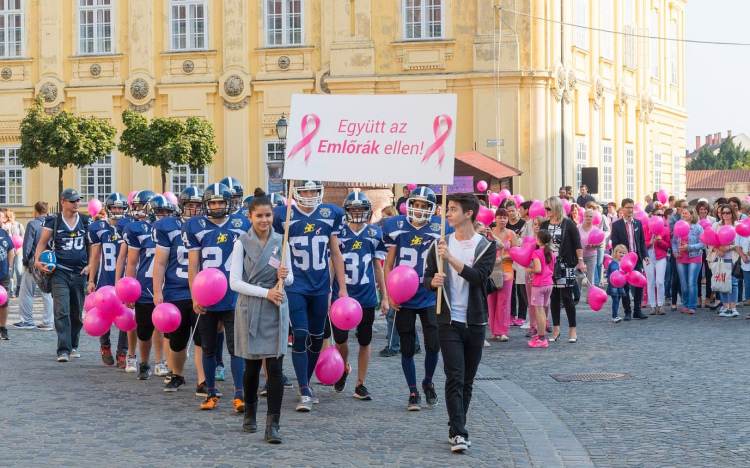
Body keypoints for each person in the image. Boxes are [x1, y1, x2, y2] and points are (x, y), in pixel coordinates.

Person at [423, 193, 495, 453]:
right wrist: (433, 282)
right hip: (448, 319)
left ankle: (456, 424)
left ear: (469, 213)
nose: (448, 214)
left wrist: (451, 260)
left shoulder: (485, 246)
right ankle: (459, 433)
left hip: (475, 321)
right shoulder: (439, 244)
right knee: (454, 376)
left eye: (453, 209)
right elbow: (427, 278)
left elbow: (478, 278)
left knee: (467, 380)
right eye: (447, 209)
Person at [272, 180, 348, 412]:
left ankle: (304, 380)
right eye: (304, 189)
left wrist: (341, 288)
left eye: (313, 189)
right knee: (301, 334)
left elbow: (335, 253)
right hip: (295, 285)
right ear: (295, 191)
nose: (309, 194)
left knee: (316, 339)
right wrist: (278, 274)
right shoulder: (283, 215)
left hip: (320, 286)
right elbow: (275, 251)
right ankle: (304, 388)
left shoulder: (330, 213)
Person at [229, 194, 292, 443]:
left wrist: (284, 276)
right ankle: (251, 412)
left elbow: (291, 280)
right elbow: (234, 282)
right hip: (251, 307)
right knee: (252, 366)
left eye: (268, 215)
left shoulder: (282, 242)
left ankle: (273, 423)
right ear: (250, 217)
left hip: (276, 308)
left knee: (275, 368)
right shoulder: (241, 243)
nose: (264, 220)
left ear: (273, 216)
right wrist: (265, 292)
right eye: (259, 216)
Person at [184, 183, 252, 412]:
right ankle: (211, 393)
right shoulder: (196, 226)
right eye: (212, 202)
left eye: (220, 202)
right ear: (207, 205)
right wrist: (195, 296)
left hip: (234, 296)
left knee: (236, 348)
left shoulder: (241, 224)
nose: (216, 206)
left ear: (228, 203)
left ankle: (239, 395)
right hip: (207, 296)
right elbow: (193, 265)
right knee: (209, 348)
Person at [382, 186, 449, 411]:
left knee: (433, 345)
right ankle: (412, 391)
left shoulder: (440, 228)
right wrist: (389, 293)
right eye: (416, 205)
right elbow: (389, 264)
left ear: (432, 209)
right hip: (404, 296)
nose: (419, 210)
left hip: (430, 294)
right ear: (409, 205)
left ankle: (428, 382)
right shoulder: (396, 226)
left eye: (424, 206)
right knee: (407, 347)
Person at [330, 192, 388, 400]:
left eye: (360, 209)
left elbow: (378, 266)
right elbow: (331, 264)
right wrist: (330, 291)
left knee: (365, 340)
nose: (356, 213)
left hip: (365, 295)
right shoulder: (338, 233)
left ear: (368, 212)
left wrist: (385, 297)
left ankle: (360, 383)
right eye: (353, 209)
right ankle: (344, 367)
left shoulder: (374, 233)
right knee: (341, 341)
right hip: (342, 297)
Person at [152, 188, 205, 392]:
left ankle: (202, 380)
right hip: (176, 290)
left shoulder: (206, 226)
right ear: (182, 206)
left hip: (201, 291)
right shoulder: (168, 226)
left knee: (202, 337)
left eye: (197, 205)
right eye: (190, 206)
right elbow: (160, 263)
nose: (194, 210)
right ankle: (177, 374)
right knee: (177, 339)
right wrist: (158, 291)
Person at [34, 189, 90, 360]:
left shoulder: (86, 220)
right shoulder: (54, 220)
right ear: (63, 202)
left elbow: (92, 246)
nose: (76, 203)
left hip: (80, 272)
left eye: (78, 200)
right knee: (61, 310)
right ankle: (63, 349)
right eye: (72, 201)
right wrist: (37, 260)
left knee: (76, 313)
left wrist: (90, 266)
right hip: (60, 271)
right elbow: (42, 243)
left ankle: (74, 345)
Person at [123, 191, 168, 379]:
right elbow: (132, 262)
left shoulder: (172, 231)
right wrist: (128, 291)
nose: (162, 215)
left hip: (166, 285)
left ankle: (160, 362)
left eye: (166, 212)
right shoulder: (139, 230)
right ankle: (144, 362)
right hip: (143, 285)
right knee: (143, 329)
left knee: (162, 325)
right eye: (159, 211)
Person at [87, 193, 129, 367]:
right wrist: (91, 280)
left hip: (126, 280)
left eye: (120, 208)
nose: (118, 211)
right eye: (114, 208)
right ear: (109, 209)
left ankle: (122, 352)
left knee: (126, 315)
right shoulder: (99, 227)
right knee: (104, 314)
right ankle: (105, 345)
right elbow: (95, 257)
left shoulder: (129, 227)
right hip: (106, 278)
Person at [540, 196, 583, 342]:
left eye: (548, 208)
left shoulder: (568, 224)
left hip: (565, 265)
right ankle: (556, 330)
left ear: (556, 208)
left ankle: (573, 331)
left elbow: (577, 243)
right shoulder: (544, 224)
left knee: (567, 297)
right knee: (554, 298)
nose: (546, 211)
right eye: (545, 208)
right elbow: (539, 244)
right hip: (549, 265)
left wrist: (580, 261)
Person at [13, 202, 53, 331]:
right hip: (48, 260)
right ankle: (48, 322)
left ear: (36, 212)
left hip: (34, 262)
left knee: (26, 292)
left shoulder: (33, 224)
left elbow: (28, 245)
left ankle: (27, 320)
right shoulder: (52, 223)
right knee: (47, 292)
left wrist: (25, 262)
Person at [610, 198, 649, 320]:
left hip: (636, 258)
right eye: (628, 207)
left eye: (632, 207)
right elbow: (615, 243)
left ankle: (638, 310)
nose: (630, 210)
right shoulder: (616, 225)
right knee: (625, 286)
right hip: (624, 260)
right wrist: (618, 258)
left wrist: (646, 255)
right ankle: (627, 311)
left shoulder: (638, 223)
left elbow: (642, 241)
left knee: (638, 285)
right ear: (622, 209)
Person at [487, 209, 517, 341]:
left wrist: (503, 258)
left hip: (507, 271)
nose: (502, 220)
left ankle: (503, 331)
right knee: (491, 300)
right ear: (495, 218)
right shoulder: (489, 234)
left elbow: (516, 253)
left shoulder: (511, 234)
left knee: (504, 301)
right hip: (491, 271)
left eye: (505, 217)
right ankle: (494, 330)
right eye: (500, 217)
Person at [671, 206, 705, 315]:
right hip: (681, 257)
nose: (684, 215)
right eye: (683, 213)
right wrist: (675, 252)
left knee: (691, 282)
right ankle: (685, 304)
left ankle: (692, 305)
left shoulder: (698, 228)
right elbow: (674, 241)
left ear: (692, 215)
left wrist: (689, 247)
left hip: (694, 256)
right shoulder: (678, 226)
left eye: (686, 213)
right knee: (684, 283)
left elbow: (703, 244)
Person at [525, 230, 555, 348]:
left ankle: (541, 338)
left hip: (539, 286)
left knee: (539, 312)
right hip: (548, 284)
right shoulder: (551, 253)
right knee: (543, 311)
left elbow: (538, 269)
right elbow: (549, 269)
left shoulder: (537, 253)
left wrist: (529, 271)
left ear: (538, 240)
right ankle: (541, 337)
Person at [711, 204, 742, 317]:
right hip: (720, 257)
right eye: (723, 212)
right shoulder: (716, 225)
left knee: (733, 282)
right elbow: (710, 241)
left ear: (732, 213)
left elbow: (740, 243)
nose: (725, 215)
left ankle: (733, 308)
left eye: (727, 212)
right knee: (722, 282)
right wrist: (717, 250)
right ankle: (725, 306)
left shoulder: (737, 226)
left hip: (733, 257)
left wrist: (729, 247)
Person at [505, 201, 527, 327]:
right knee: (510, 289)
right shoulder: (505, 224)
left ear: (517, 210)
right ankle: (512, 314)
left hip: (520, 260)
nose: (511, 213)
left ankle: (522, 316)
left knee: (521, 289)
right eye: (509, 211)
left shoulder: (523, 223)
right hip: (508, 261)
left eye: (513, 210)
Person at [644, 206, 670, 315]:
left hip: (660, 258)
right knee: (651, 282)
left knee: (660, 282)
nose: (659, 217)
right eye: (657, 215)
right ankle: (653, 306)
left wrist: (660, 241)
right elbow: (641, 244)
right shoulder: (645, 228)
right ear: (651, 216)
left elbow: (667, 246)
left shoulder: (664, 229)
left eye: (661, 215)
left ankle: (660, 304)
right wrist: (650, 242)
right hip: (648, 258)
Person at [695, 200, 715, 309]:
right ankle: (698, 297)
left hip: (709, 249)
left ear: (708, 210)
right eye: (701, 209)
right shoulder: (695, 220)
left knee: (709, 274)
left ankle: (708, 297)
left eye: (705, 209)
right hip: (698, 249)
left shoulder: (712, 220)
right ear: (698, 210)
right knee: (698, 274)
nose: (703, 211)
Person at [667, 199, 686, 310]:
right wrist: (675, 251)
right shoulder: (673, 219)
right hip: (677, 250)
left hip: (687, 251)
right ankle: (673, 301)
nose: (685, 209)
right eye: (683, 207)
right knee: (676, 277)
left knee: (685, 279)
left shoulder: (690, 219)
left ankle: (685, 299)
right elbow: (675, 235)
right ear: (678, 208)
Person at [577, 210, 601, 298]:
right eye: (587, 216)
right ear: (584, 216)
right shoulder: (578, 228)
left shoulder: (596, 229)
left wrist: (592, 245)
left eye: (590, 216)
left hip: (591, 255)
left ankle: (590, 297)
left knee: (590, 277)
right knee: (578, 276)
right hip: (580, 256)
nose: (588, 218)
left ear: (593, 218)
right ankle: (577, 295)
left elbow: (600, 243)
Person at [0, 218, 14, 339]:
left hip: (3, 273)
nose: (3, 220)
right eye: (1, 217)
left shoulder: (3, 232)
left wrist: (9, 266)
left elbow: (11, 249)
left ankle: (2, 328)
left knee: (4, 302)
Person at [607, 245, 629, 323]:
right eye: (620, 252)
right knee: (615, 300)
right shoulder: (614, 263)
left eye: (624, 253)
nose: (622, 254)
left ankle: (614, 316)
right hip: (614, 285)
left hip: (620, 284)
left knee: (617, 300)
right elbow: (612, 272)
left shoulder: (624, 263)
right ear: (616, 253)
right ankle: (615, 316)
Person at [4, 209, 23, 297]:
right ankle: (10, 291)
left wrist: (20, 248)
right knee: (10, 271)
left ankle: (19, 286)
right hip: (8, 251)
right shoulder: (4, 226)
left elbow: (23, 238)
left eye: (10, 216)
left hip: (18, 250)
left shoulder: (19, 225)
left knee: (19, 270)